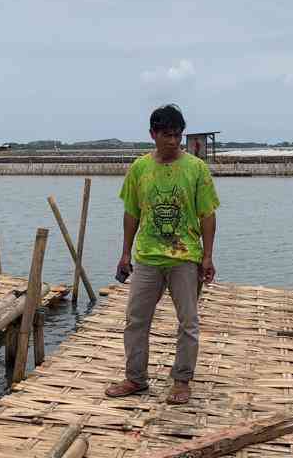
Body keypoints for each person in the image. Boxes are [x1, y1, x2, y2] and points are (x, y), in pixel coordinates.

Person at [104, 104, 219, 405]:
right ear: (152, 134)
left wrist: (207, 257)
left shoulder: (196, 169)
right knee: (136, 319)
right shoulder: (139, 169)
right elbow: (131, 213)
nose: (173, 141)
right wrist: (125, 254)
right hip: (147, 257)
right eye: (167, 135)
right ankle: (135, 378)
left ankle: (182, 381)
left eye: (178, 135)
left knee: (188, 322)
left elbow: (207, 215)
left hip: (185, 257)